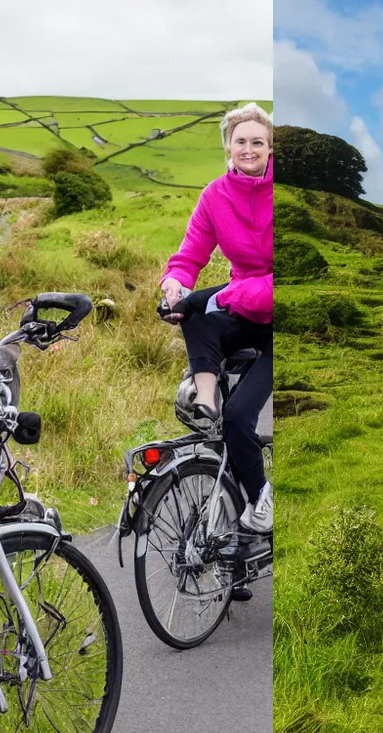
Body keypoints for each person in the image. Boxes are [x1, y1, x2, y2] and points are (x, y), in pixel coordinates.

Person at [160, 101, 274, 580]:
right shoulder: (215, 195)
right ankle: (204, 396)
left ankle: (264, 503)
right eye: (240, 140)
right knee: (188, 308)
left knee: (242, 420)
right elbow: (189, 256)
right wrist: (173, 285)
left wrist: (235, 291)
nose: (248, 149)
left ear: (271, 148)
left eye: (258, 141)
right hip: (242, 306)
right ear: (229, 145)